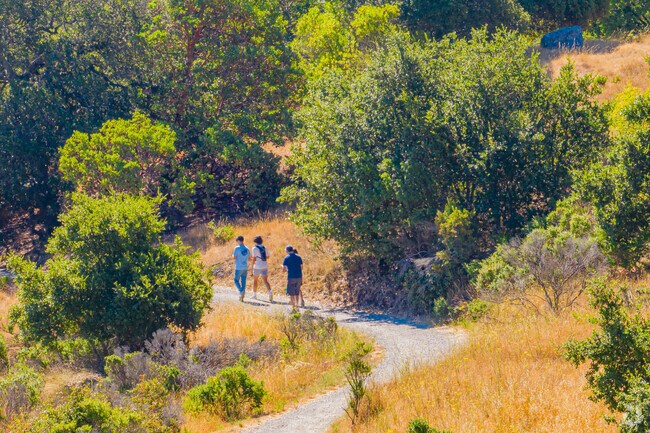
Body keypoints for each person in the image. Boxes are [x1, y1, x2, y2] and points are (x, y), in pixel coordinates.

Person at [251, 235, 273, 302]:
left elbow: (254, 258)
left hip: (257, 266)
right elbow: (268, 257)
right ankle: (270, 293)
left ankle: (254, 295)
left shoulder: (254, 248)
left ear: (255, 241)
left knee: (255, 280)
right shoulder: (265, 247)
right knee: (266, 281)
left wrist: (252, 266)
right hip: (264, 265)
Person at [233, 235, 250, 302]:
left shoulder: (236, 248)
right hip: (245, 267)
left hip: (238, 267)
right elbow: (249, 258)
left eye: (237, 241)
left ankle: (241, 291)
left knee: (236, 280)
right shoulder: (247, 249)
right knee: (243, 281)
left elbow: (234, 257)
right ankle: (242, 295)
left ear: (239, 241)